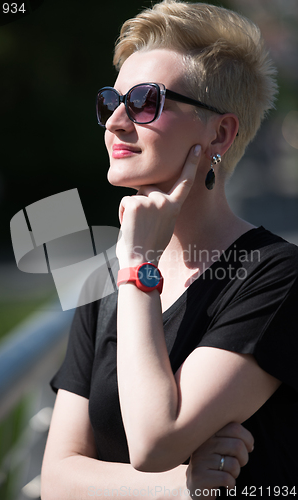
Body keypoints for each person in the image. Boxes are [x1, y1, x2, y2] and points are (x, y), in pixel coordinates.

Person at [42, 1, 298, 498]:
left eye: (143, 101)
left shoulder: (276, 276)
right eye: (110, 101)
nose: (115, 122)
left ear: (219, 133)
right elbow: (56, 477)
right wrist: (181, 486)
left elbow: (156, 439)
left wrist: (139, 266)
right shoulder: (104, 278)